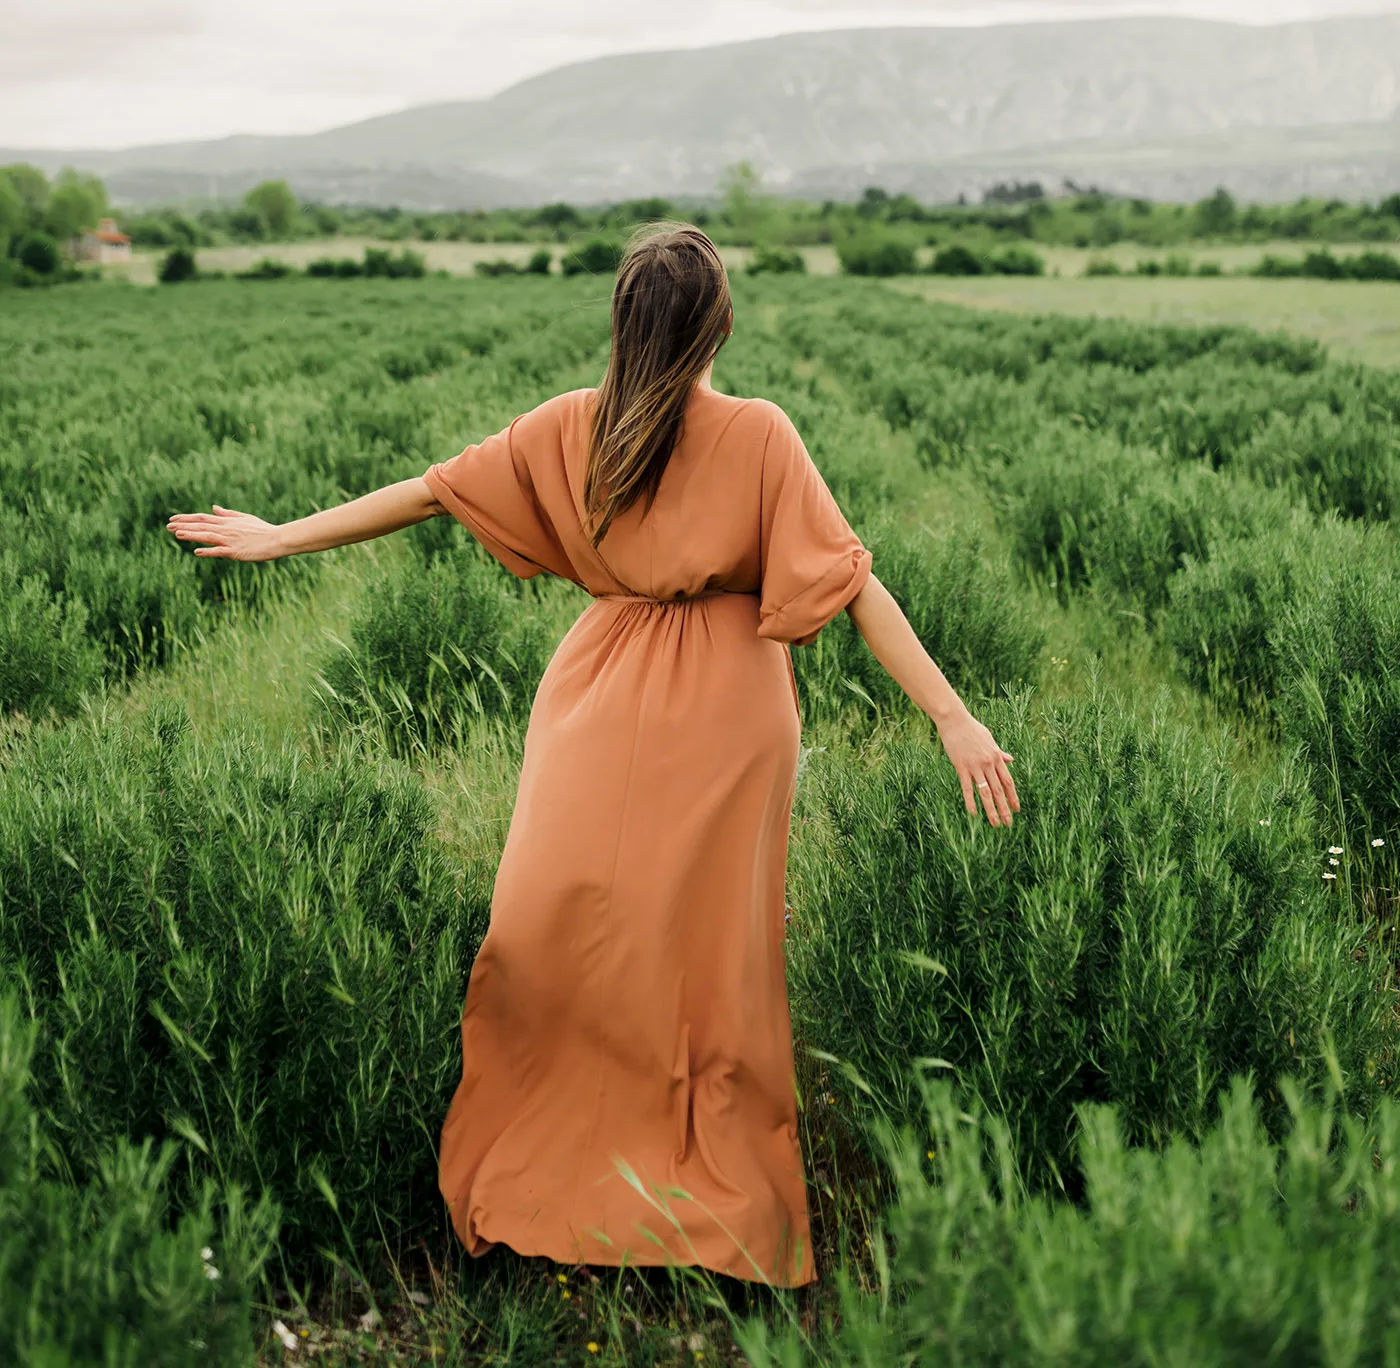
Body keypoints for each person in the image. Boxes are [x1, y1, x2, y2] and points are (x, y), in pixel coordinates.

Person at [168, 223, 1017, 1288]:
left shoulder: (578, 424)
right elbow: (851, 584)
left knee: (560, 917)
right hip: (728, 699)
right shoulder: (755, 431)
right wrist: (949, 715)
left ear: (621, 318)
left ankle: (576, 1173)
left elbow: (429, 490)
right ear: (718, 322)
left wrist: (286, 532)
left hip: (598, 688)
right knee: (703, 945)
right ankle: (686, 1194)